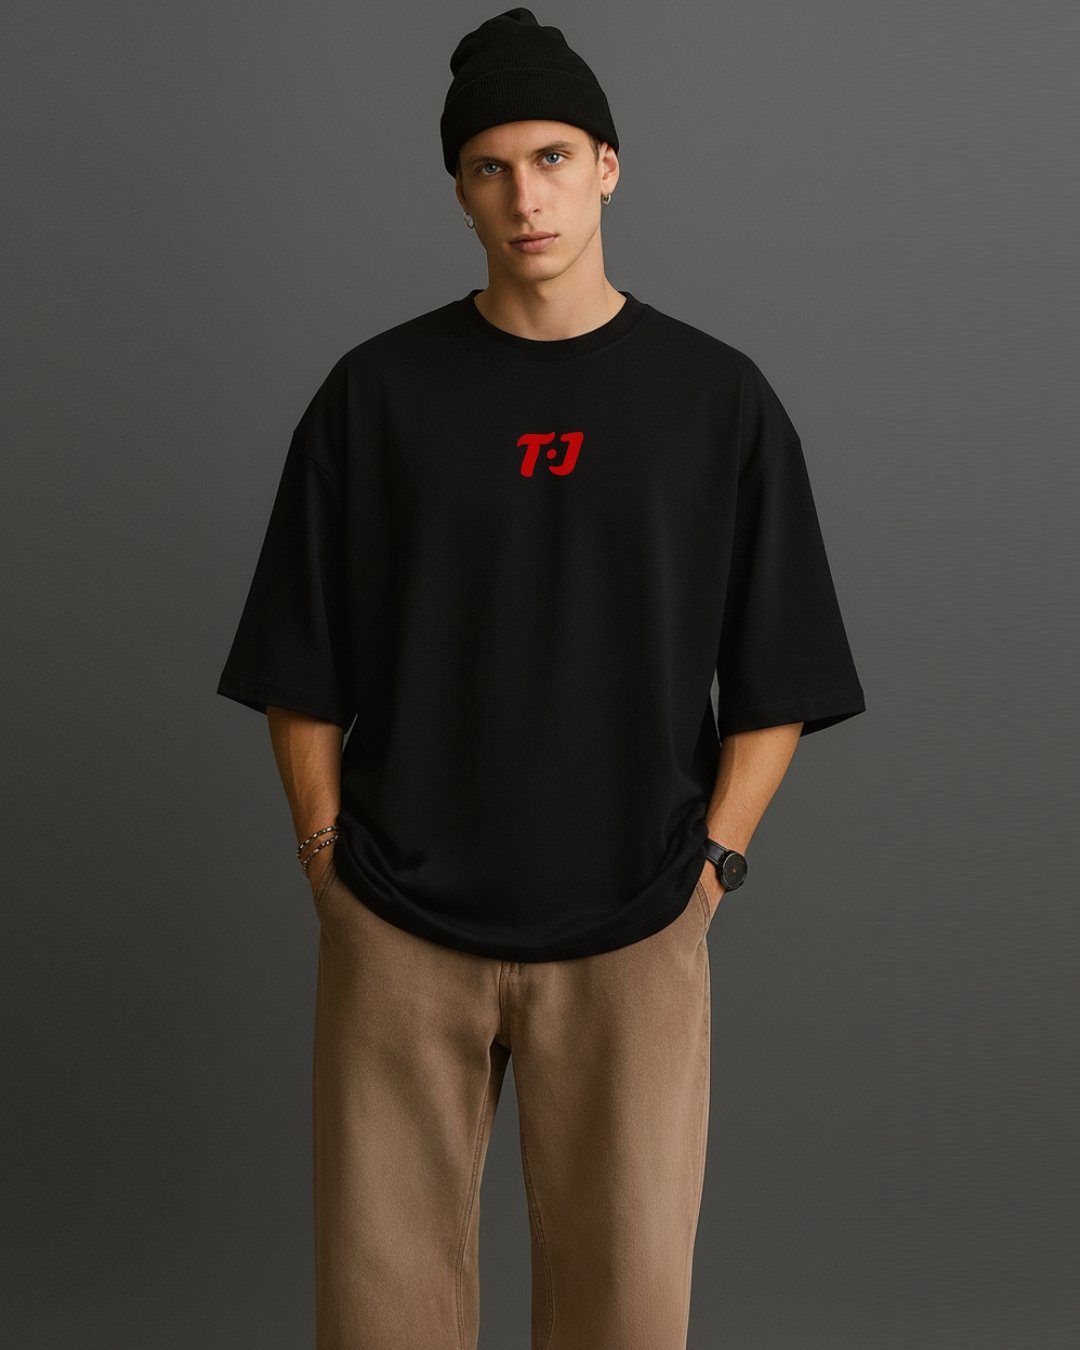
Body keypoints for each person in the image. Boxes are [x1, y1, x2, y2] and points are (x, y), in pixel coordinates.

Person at [216, 8, 866, 1348]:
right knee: (380, 1324)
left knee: (626, 1319)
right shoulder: (376, 395)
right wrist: (327, 857)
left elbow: (781, 673)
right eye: (492, 168)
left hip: (635, 923)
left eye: (555, 157)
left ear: (610, 166)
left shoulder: (716, 400)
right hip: (400, 925)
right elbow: (299, 655)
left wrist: (712, 869)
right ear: (458, 190)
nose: (527, 198)